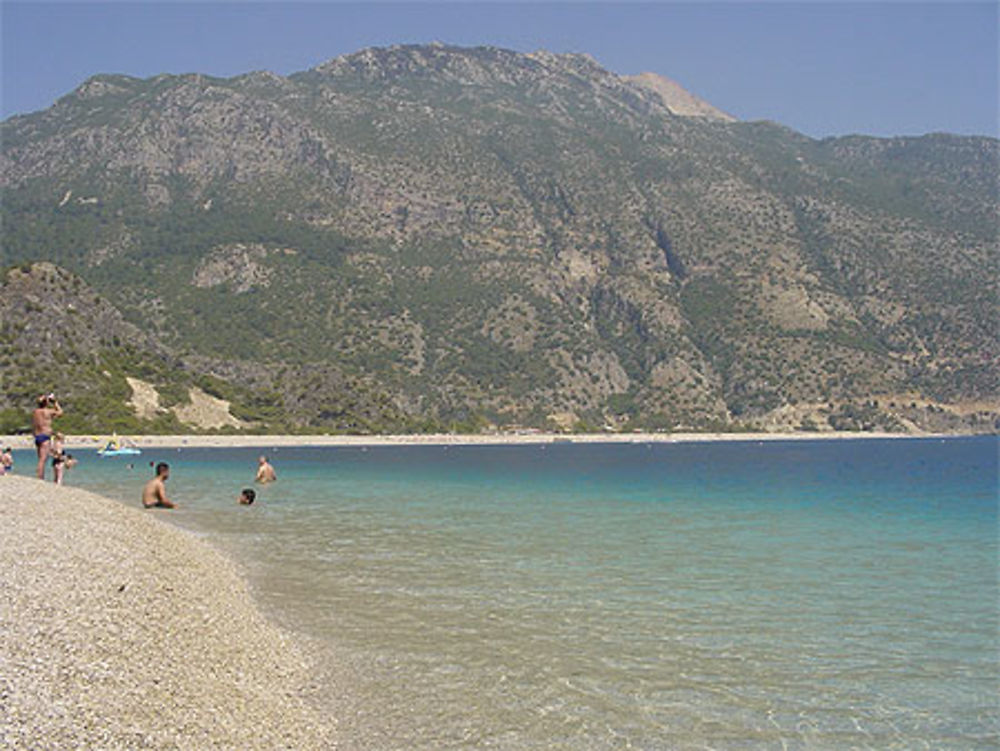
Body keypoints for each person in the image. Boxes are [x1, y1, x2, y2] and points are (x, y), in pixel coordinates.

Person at [32, 393, 63, 480]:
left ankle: (40, 476)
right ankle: (40, 478)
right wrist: (55, 402)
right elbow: (60, 412)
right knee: (43, 459)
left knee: (40, 459)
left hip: (37, 435)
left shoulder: (35, 412)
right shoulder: (48, 412)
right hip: (45, 436)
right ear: (46, 403)